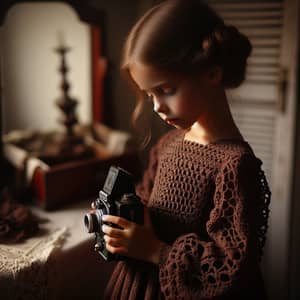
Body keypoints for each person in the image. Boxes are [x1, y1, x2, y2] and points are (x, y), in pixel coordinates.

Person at [101, 0, 271, 299]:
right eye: (149, 93)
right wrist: (121, 220)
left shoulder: (234, 166)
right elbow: (147, 202)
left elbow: (230, 269)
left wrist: (153, 250)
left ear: (212, 73)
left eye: (166, 90)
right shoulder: (168, 144)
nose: (156, 106)